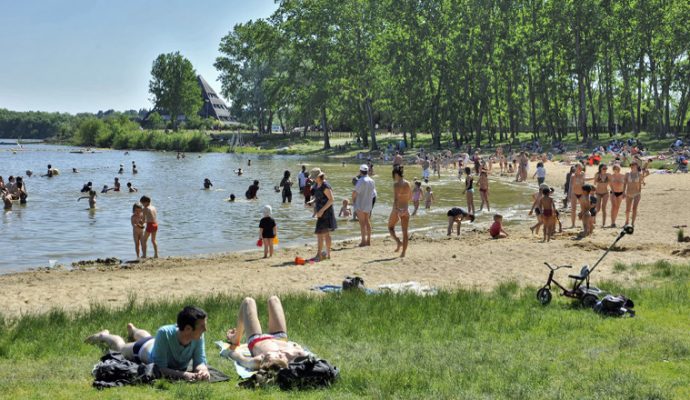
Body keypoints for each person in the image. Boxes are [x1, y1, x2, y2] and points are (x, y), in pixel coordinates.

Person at [85, 306, 210, 382]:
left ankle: (133, 330)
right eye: (202, 326)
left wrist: (203, 371)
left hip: (154, 343)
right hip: (142, 349)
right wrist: (185, 375)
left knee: (147, 337)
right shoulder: (164, 332)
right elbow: (159, 368)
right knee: (120, 346)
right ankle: (103, 335)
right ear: (188, 329)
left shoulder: (198, 335)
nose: (206, 329)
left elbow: (199, 361)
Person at [224, 296, 308, 371]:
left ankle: (235, 338)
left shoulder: (259, 361)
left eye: (267, 357)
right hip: (279, 337)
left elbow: (237, 357)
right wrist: (297, 348)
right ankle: (235, 337)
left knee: (248, 301)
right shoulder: (295, 355)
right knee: (274, 299)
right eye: (280, 356)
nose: (280, 353)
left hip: (256, 339)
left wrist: (230, 352)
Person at [388, 166, 412, 257]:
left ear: (397, 174)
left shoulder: (396, 185)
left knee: (390, 227)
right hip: (406, 209)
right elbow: (410, 197)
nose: (394, 177)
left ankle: (398, 242)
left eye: (394, 175)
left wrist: (396, 210)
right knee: (405, 232)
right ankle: (403, 253)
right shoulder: (408, 183)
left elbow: (395, 199)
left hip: (397, 209)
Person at [312, 172, 336, 260]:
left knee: (325, 234)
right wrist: (312, 202)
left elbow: (331, 200)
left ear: (319, 176)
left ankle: (327, 254)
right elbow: (318, 197)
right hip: (320, 212)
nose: (313, 179)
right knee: (320, 234)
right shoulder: (316, 185)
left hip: (326, 212)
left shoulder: (325, 185)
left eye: (315, 177)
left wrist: (322, 210)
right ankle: (320, 254)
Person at [352, 164, 375, 247]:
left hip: (360, 203)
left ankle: (363, 241)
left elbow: (355, 192)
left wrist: (353, 201)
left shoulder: (361, 180)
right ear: (367, 171)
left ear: (360, 171)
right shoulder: (372, 180)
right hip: (368, 203)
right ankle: (368, 241)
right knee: (367, 221)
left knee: (362, 223)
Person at [624, 161, 644, 227]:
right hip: (628, 193)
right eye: (631, 165)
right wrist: (623, 192)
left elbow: (640, 184)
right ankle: (627, 221)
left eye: (634, 165)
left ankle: (632, 223)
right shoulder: (627, 174)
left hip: (637, 193)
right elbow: (624, 184)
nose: (633, 166)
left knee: (634, 208)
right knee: (627, 209)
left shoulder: (640, 174)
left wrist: (640, 192)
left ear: (637, 166)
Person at [568, 163, 585, 229]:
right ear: (576, 168)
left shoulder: (583, 174)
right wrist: (569, 195)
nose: (580, 169)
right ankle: (573, 224)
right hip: (574, 193)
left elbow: (584, 183)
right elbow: (570, 186)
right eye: (579, 168)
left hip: (582, 193)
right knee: (573, 209)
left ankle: (584, 223)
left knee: (583, 209)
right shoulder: (573, 176)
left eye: (581, 168)